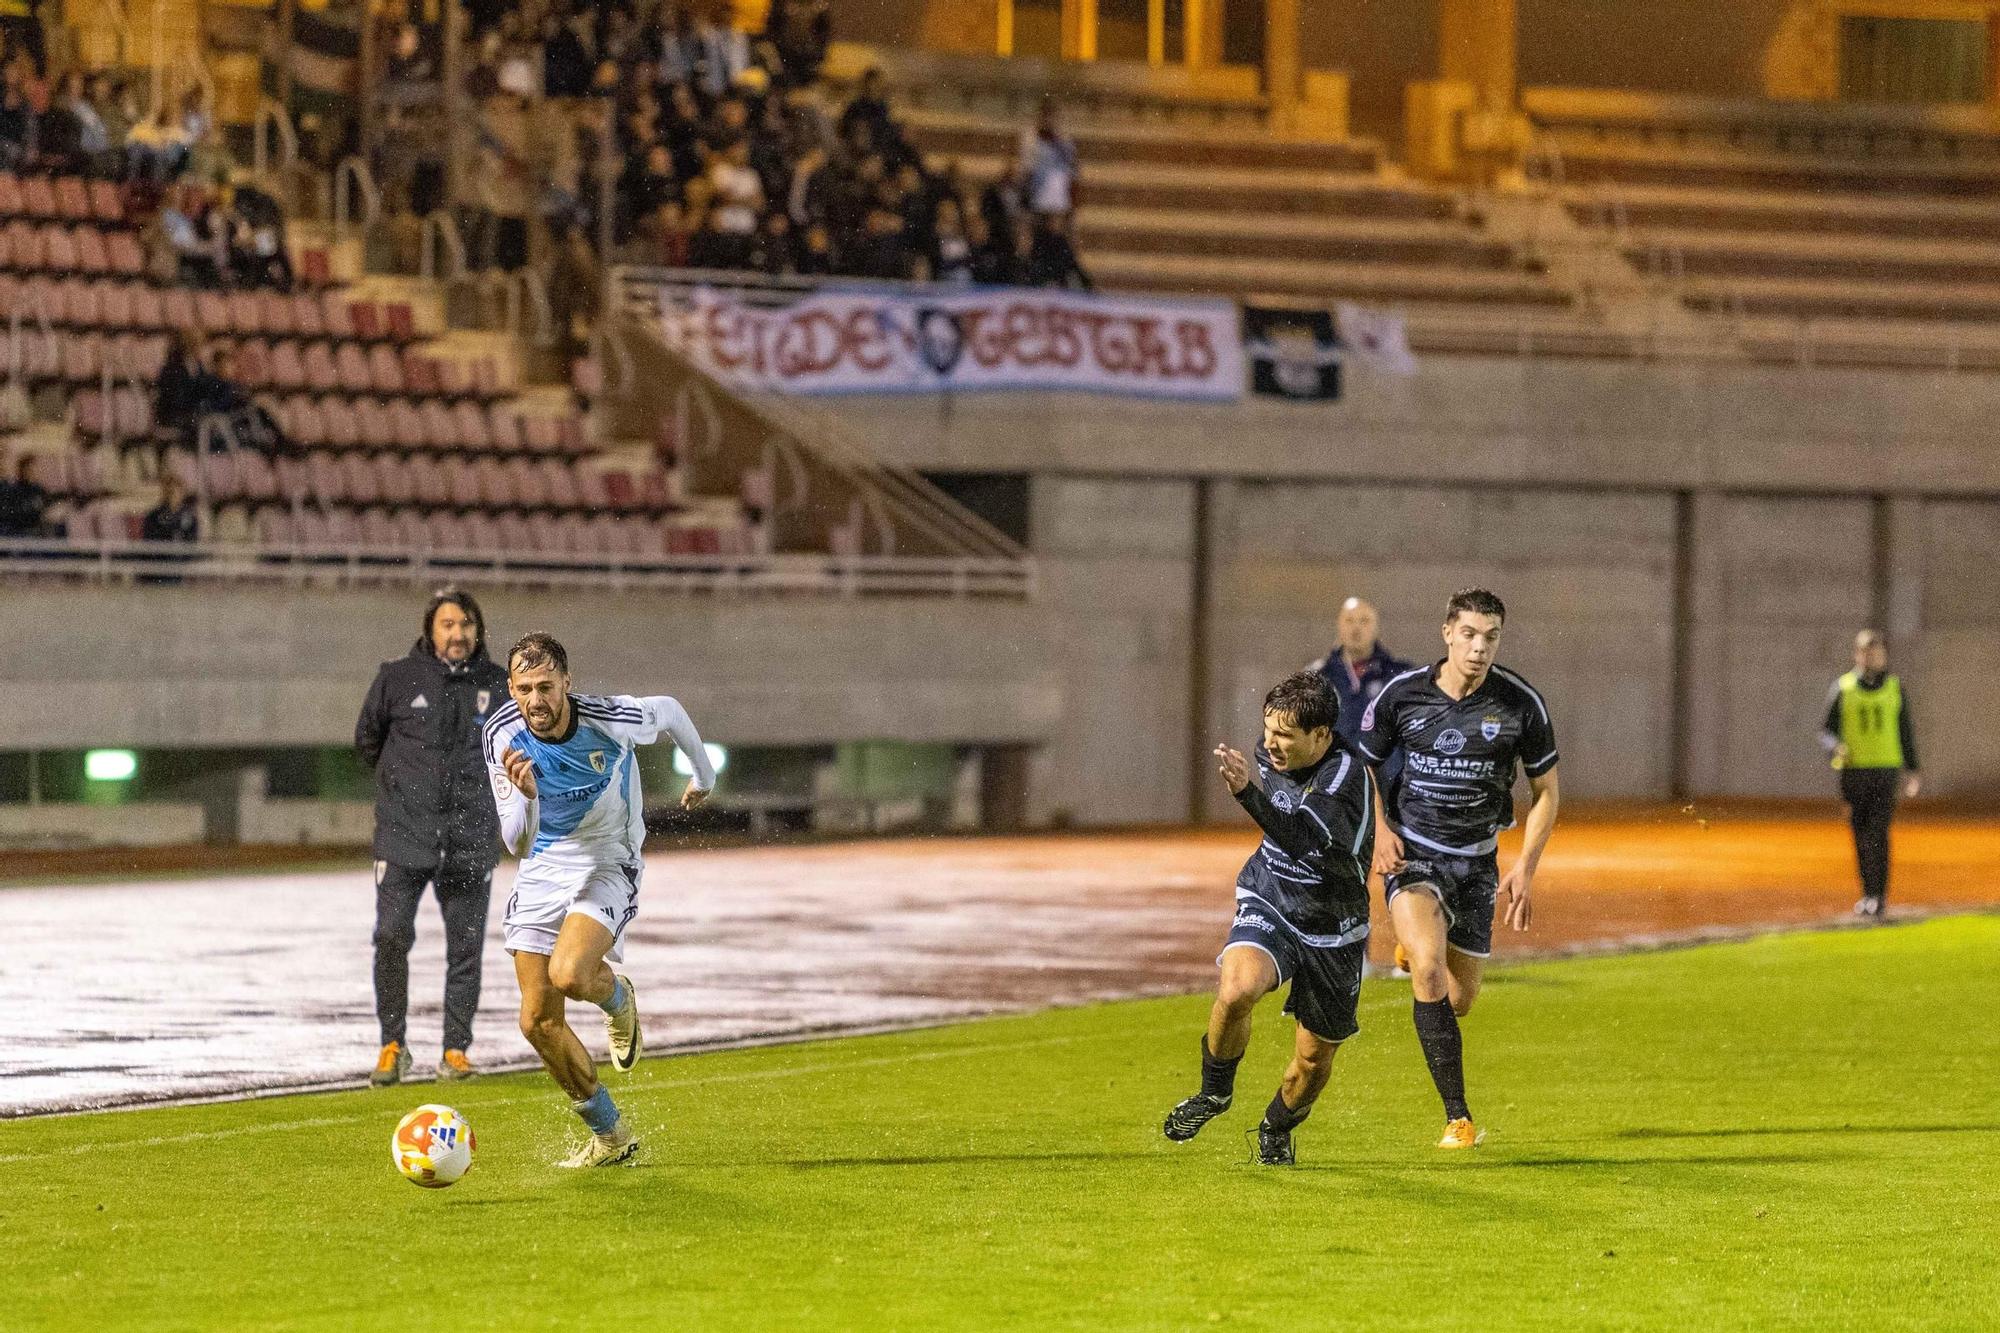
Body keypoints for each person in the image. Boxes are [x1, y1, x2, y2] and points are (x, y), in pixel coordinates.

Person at [485, 631, 716, 1168]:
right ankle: (611, 1136)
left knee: (570, 974)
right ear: (511, 688)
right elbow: (516, 843)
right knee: (536, 1022)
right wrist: (529, 798)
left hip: (608, 857)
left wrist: (704, 776)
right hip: (543, 866)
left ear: (568, 682)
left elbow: (673, 712)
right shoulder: (502, 735)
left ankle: (618, 999)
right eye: (524, 688)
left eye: (546, 685)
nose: (536, 700)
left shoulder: (610, 718)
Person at [1356, 588, 1560, 1149]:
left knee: (1459, 999)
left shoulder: (1520, 703)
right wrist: (1381, 830)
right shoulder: (1404, 695)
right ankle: (1458, 1117)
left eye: (1490, 637)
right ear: (1448, 632)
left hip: (1477, 866)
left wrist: (1526, 867)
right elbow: (1362, 766)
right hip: (1414, 856)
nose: (1479, 648)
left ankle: (1413, 947)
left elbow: (1546, 792)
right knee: (1427, 970)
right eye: (1469, 634)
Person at [1161, 671, 1374, 1166]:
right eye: (1268, 729)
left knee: (1312, 1062)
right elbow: (1284, 843)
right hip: (1271, 894)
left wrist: (1245, 794)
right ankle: (1214, 1093)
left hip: (1333, 923)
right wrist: (1254, 786)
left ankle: (1276, 1129)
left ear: (1321, 736)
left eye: (1285, 735)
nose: (1271, 744)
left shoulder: (1343, 779)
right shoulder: (1274, 748)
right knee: (1236, 990)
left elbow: (1300, 839)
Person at [354, 589, 511, 1087]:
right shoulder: (397, 678)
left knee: (465, 950)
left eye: (466, 624)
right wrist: (402, 790)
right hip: (404, 837)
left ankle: (455, 1050)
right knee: (391, 938)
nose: (458, 633)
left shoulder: (500, 685)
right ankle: (392, 1045)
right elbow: (367, 741)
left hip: (470, 838)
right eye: (447, 624)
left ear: (478, 630)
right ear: (430, 630)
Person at [1820, 629, 1921, 918]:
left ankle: (1879, 895)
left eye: (1877, 652)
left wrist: (1912, 770)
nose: (1873, 657)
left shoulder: (1894, 688)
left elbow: (1905, 731)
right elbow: (1825, 731)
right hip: (1854, 773)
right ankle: (1866, 893)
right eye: (1867, 652)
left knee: (1878, 831)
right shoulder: (1843, 688)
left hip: (1885, 771)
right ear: (1857, 654)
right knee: (1859, 833)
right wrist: (1835, 746)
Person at [1311, 597, 1414, 745]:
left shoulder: (1398, 675)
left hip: (1381, 765)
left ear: (1376, 627)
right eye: (1349, 620)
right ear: (1339, 625)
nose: (1356, 628)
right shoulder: (1319, 676)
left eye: (1364, 621)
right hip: (1336, 766)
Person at [140, 473, 198, 542]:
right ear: (164, 493)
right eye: (170, 492)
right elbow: (148, 541)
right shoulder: (153, 516)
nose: (173, 496)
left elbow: (192, 543)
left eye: (176, 492)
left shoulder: (190, 517)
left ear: (182, 493)